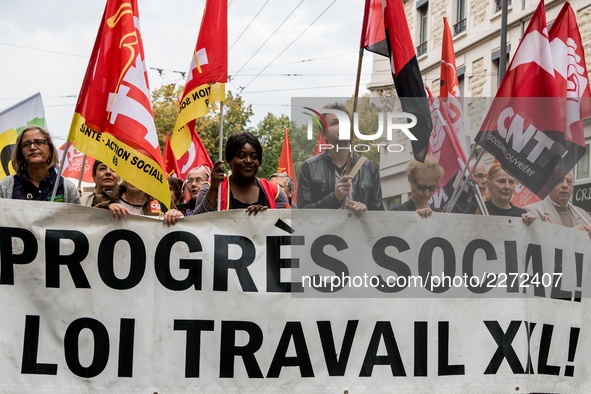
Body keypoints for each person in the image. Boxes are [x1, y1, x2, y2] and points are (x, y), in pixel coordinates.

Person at [297, 105, 383, 216]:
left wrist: (366, 212)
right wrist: (335, 197)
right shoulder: (309, 167)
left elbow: (380, 215)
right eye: (335, 123)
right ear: (324, 135)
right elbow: (302, 213)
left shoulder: (370, 168)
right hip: (325, 233)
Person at [195, 131, 288, 215]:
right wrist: (214, 190)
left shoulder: (275, 192)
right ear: (229, 160)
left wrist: (264, 217)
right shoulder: (209, 188)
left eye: (254, 157)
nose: (248, 161)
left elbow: (286, 227)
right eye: (242, 156)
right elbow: (198, 224)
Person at [0, 125, 80, 203]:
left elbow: (77, 216)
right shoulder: (6, 187)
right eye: (26, 144)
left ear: (50, 150)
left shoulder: (67, 188)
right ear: (21, 153)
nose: (32, 147)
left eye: (39, 142)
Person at [525, 172, 591, 238]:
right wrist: (572, 234)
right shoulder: (533, 212)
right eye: (559, 181)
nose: (565, 185)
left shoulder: (584, 216)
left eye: (569, 181)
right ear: (548, 185)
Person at [464, 163, 536, 224]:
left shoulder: (521, 214)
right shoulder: (476, 208)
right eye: (501, 181)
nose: (507, 186)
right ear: (488, 184)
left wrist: (532, 223)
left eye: (511, 182)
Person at [95, 180, 183, 225]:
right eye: (129, 171)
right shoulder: (103, 198)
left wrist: (177, 215)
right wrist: (107, 206)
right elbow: (87, 223)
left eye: (139, 174)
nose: (134, 177)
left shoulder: (164, 201)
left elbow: (180, 230)